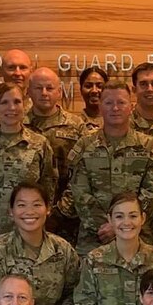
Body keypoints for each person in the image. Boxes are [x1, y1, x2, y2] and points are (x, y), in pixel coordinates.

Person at [0, 81, 58, 285]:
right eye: (4, 102)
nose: (11, 108)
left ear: (25, 105)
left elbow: (48, 183)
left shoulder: (38, 144)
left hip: (26, 228)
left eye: (17, 102)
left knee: (24, 282)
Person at [64, 79, 153, 255]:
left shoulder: (148, 146)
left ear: (131, 107)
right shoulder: (85, 146)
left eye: (121, 102)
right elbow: (80, 194)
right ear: (101, 107)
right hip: (94, 239)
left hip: (139, 240)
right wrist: (106, 227)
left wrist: (121, 226)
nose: (115, 108)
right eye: (109, 103)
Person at [26, 65, 88, 215]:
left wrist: (62, 210)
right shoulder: (19, 124)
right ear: (28, 92)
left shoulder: (76, 125)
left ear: (59, 92)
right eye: (38, 88)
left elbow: (85, 171)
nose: (44, 93)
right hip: (25, 211)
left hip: (65, 213)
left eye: (50, 88)